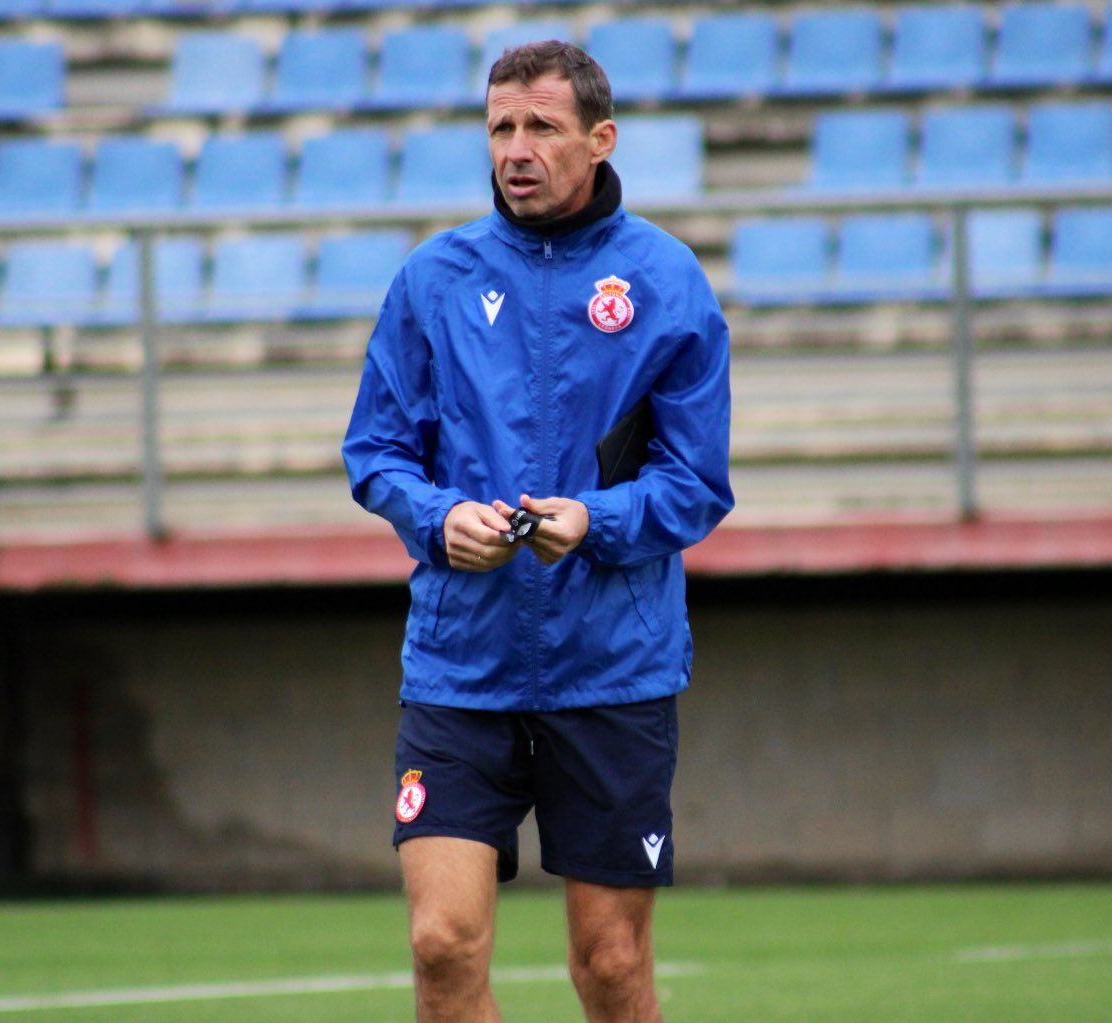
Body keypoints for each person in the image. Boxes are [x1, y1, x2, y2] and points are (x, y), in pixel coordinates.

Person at [342, 40, 733, 1023]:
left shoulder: (665, 282)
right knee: (440, 945)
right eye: (500, 127)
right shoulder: (433, 279)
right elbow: (375, 453)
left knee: (608, 966)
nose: (515, 149)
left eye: (541, 128)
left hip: (612, 671)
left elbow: (696, 485)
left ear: (600, 141)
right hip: (460, 668)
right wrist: (437, 519)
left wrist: (592, 520)